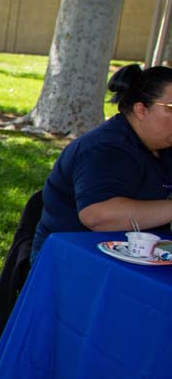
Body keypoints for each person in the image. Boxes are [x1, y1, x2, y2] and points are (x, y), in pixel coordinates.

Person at [31, 63, 172, 261]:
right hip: (74, 261)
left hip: (136, 257)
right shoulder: (104, 149)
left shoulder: (162, 146)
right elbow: (97, 216)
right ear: (141, 110)